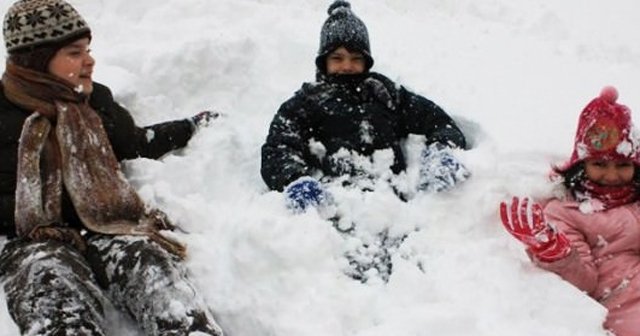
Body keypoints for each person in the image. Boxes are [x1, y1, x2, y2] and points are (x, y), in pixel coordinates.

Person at [0, 0, 223, 335]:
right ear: (36, 59)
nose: (90, 61)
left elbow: (136, 142)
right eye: (74, 53)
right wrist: (51, 213)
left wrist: (188, 127)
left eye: (87, 49)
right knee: (52, 293)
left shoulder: (93, 101)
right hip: (35, 240)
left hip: (110, 226)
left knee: (154, 273)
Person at [261, 0, 469, 282]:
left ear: (367, 61)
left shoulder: (387, 94)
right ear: (324, 61)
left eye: (356, 58)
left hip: (396, 208)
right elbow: (279, 145)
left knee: (425, 282)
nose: (347, 66)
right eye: (337, 57)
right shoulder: (306, 102)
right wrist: (294, 179)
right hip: (342, 211)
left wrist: (441, 151)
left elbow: (439, 122)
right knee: (349, 289)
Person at [499, 86, 640, 336]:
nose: (612, 175)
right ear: (581, 163)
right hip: (624, 303)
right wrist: (555, 251)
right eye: (599, 164)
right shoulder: (567, 212)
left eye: (622, 165)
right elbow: (585, 282)